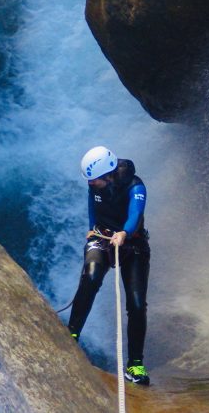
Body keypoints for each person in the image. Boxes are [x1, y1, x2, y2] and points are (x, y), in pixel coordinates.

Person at [67, 146, 151, 386]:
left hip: (132, 245)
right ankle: (72, 333)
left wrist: (124, 233)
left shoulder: (135, 186)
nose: (91, 184)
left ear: (109, 174)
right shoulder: (95, 184)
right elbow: (93, 206)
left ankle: (135, 365)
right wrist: (93, 228)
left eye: (95, 181)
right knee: (91, 277)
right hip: (102, 239)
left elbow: (135, 215)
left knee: (136, 304)